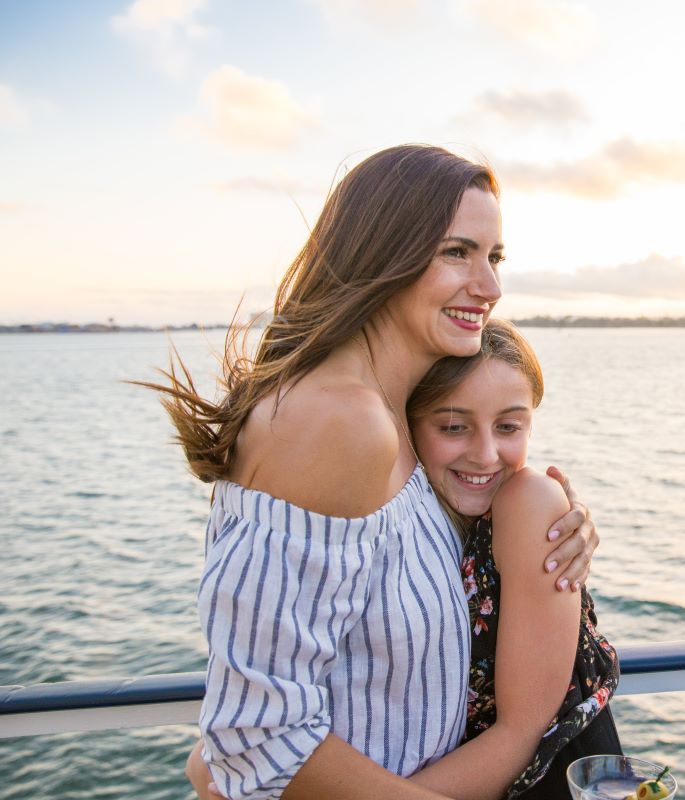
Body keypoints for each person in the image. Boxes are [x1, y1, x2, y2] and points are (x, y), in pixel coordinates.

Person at [145, 145, 599, 800]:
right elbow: (259, 733)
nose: (491, 288)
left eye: (494, 258)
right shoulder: (340, 422)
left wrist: (549, 509)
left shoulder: (391, 419)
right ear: (383, 253)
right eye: (457, 252)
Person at [407, 318, 622, 799]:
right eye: (453, 426)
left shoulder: (528, 502)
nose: (485, 454)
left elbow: (522, 735)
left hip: (549, 781)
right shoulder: (418, 514)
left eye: (508, 426)